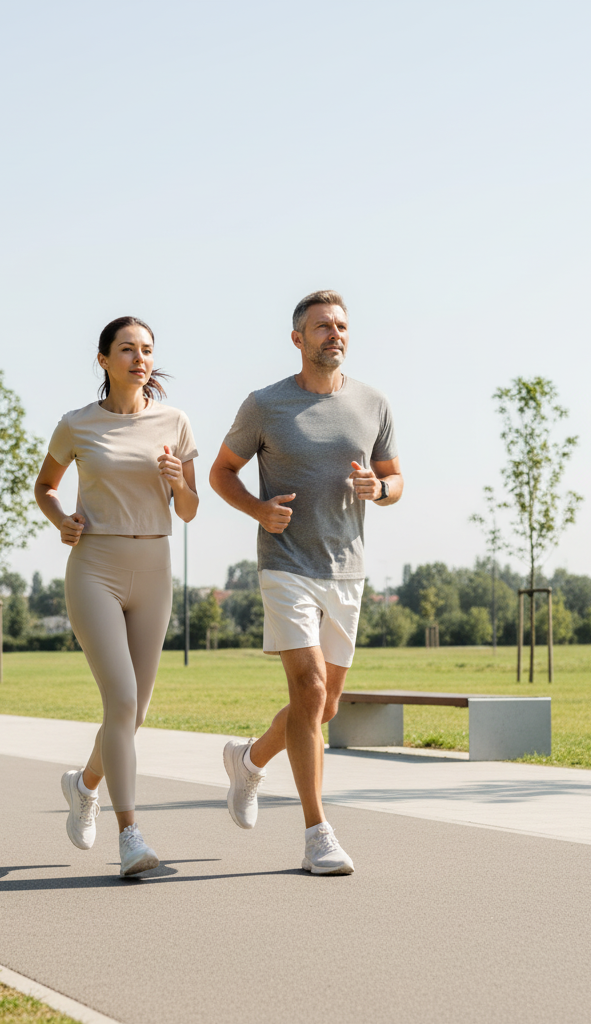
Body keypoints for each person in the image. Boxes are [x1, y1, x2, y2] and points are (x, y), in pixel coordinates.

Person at [209, 290, 402, 875]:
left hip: (347, 567)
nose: (334, 334)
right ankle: (318, 832)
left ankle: (248, 760)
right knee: (310, 687)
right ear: (298, 339)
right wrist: (259, 510)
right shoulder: (265, 405)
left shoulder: (373, 403)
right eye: (322, 327)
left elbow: (395, 478)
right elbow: (222, 472)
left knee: (324, 706)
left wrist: (381, 490)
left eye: (341, 325)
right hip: (286, 561)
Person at [35, 316, 198, 877]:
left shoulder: (174, 422)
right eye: (127, 348)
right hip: (96, 567)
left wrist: (178, 479)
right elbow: (45, 485)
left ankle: (83, 786)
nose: (139, 357)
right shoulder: (77, 425)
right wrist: (61, 519)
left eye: (147, 349)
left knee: (136, 711)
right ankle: (131, 834)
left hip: (154, 566)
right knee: (122, 701)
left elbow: (190, 508)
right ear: (104, 360)